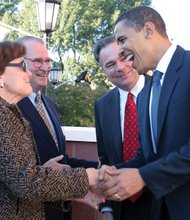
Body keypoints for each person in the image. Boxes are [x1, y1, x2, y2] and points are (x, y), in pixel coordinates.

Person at [98, 6, 190, 220]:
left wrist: (143, 176)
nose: (120, 51)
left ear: (148, 30)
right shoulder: (147, 90)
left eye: (122, 40)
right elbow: (148, 154)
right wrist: (112, 175)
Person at [0, 40, 101, 220]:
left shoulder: (20, 109)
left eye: (48, 61)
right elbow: (25, 181)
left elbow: (42, 165)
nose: (31, 72)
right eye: (23, 66)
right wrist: (88, 177)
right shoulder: (5, 114)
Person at [94, 35, 152, 220]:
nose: (120, 67)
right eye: (110, 64)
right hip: (122, 208)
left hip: (164, 203)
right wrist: (107, 208)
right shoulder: (102, 105)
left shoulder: (163, 90)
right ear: (103, 70)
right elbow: (105, 159)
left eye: (124, 57)